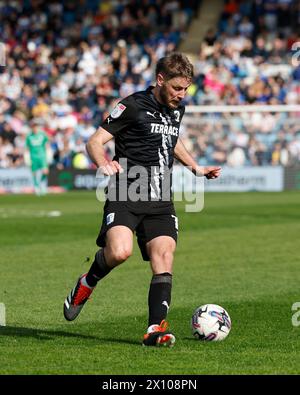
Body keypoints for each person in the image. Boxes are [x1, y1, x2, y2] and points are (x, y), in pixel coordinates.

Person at [63, 53, 221, 347]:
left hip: (161, 197)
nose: (181, 94)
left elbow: (172, 141)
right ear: (160, 80)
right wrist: (103, 162)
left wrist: (195, 167)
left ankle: (154, 329)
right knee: (119, 252)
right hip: (127, 191)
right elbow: (94, 141)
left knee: (164, 257)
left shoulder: (177, 110)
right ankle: (87, 282)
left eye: (185, 89)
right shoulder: (132, 105)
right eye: (176, 88)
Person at [25, 118, 49, 196]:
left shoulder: (42, 134)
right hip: (33, 156)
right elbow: (27, 147)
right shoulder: (29, 136)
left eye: (36, 126)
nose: (35, 128)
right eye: (33, 127)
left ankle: (42, 183)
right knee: (34, 172)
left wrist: (48, 153)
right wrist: (27, 157)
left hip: (42, 156)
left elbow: (47, 143)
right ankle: (36, 186)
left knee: (45, 172)